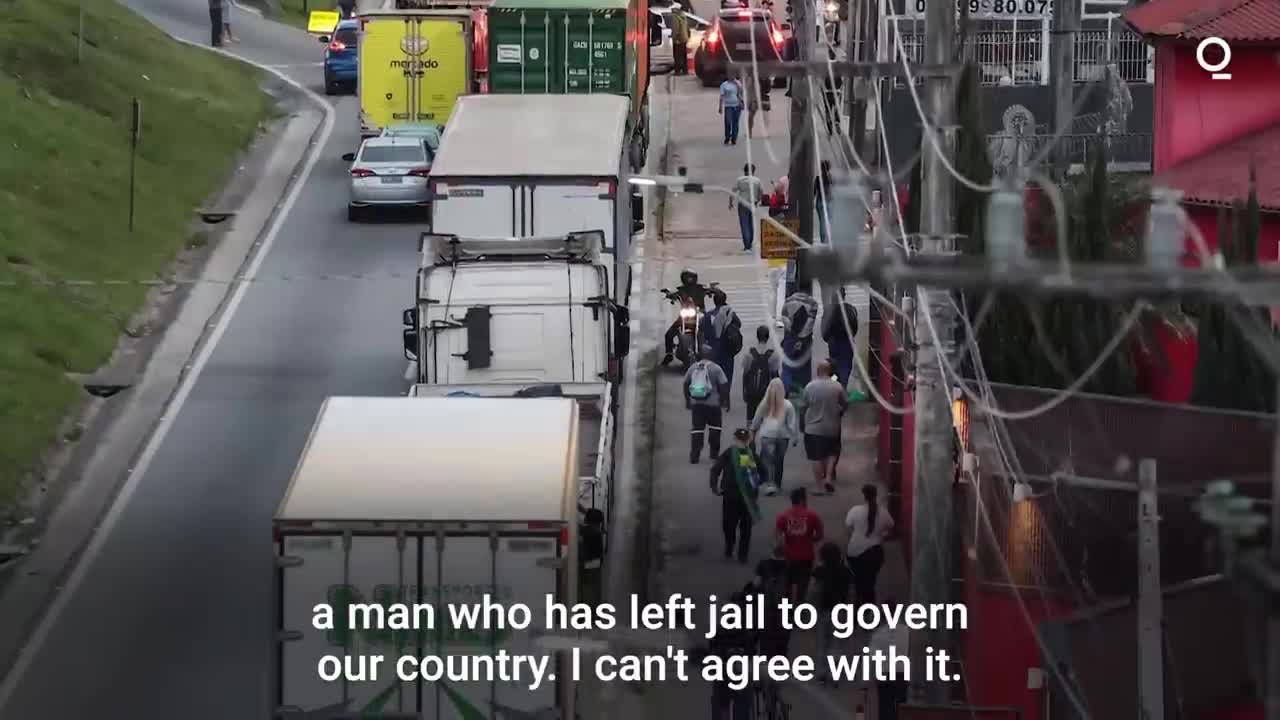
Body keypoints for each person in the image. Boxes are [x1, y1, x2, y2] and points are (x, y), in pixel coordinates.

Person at [710, 429, 762, 562]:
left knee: (736, 525)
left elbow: (715, 469)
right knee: (736, 526)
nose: (742, 442)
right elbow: (765, 473)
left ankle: (738, 551)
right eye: (741, 440)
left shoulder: (733, 454)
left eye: (743, 440)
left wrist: (715, 486)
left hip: (735, 497)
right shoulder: (749, 455)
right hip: (742, 497)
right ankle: (736, 550)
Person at [803, 360, 848, 495]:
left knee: (816, 457)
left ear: (818, 371)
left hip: (813, 428)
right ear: (829, 371)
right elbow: (845, 403)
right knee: (831, 453)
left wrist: (802, 422)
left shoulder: (810, 387)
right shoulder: (837, 387)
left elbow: (803, 406)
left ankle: (819, 486)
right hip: (832, 427)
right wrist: (839, 411)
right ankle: (828, 477)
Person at [810, 541, 852, 685]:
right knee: (837, 645)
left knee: (822, 643)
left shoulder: (819, 571)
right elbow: (851, 593)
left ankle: (821, 674)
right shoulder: (845, 571)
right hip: (840, 611)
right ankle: (835, 675)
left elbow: (814, 591)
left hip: (822, 610)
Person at [845, 484, 894, 606]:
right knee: (870, 581)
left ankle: (860, 605)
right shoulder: (883, 512)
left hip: (854, 551)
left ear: (863, 496)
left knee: (858, 580)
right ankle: (868, 606)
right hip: (875, 553)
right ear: (875, 495)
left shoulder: (855, 510)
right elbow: (891, 527)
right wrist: (882, 535)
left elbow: (848, 527)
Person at [750, 379, 799, 496]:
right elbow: (792, 423)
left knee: (768, 460)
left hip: (767, 435)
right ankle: (777, 483)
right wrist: (795, 437)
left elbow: (756, 420)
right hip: (783, 437)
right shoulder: (787, 405)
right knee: (779, 460)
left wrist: (752, 433)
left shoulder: (764, 404)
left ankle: (769, 484)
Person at [774, 488, 823, 604]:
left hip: (788, 556)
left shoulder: (783, 516)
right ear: (802, 500)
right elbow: (820, 535)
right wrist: (808, 540)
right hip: (806, 556)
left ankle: (787, 611)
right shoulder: (813, 516)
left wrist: (781, 545)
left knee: (787, 586)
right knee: (802, 587)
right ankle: (799, 609)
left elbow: (777, 536)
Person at [684, 344, 730, 463]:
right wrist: (724, 401)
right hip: (713, 405)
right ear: (711, 355)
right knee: (715, 429)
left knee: (697, 430)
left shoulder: (693, 367)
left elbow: (686, 383)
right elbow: (724, 385)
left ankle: (695, 455)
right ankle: (714, 455)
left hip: (697, 405)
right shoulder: (716, 368)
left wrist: (688, 400)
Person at [870, 593, 910, 720]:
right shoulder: (907, 632)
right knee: (900, 707)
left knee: (884, 708)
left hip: (884, 675)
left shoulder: (878, 635)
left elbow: (873, 657)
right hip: (902, 675)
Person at [662, 268, 708, 365]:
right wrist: (669, 294)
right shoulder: (680, 290)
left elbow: (709, 289)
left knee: (712, 330)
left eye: (691, 278)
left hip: (700, 314)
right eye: (687, 278)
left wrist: (713, 290)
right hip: (685, 315)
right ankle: (669, 354)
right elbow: (674, 294)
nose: (689, 280)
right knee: (669, 334)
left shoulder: (701, 288)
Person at [779, 291, 818, 394]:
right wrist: (801, 337)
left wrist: (793, 333)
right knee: (804, 367)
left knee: (787, 366)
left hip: (790, 340)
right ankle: (804, 391)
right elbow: (810, 323)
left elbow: (784, 320)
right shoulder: (812, 303)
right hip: (805, 340)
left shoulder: (787, 302)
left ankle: (786, 390)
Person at [741, 325, 781, 425]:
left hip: (752, 391)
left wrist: (744, 391)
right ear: (768, 337)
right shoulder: (773, 355)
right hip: (766, 392)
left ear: (757, 336)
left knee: (750, 418)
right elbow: (775, 375)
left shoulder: (749, 353)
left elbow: (745, 373)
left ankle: (750, 438)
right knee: (766, 418)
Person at [704, 290, 743, 386]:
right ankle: (725, 397)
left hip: (713, 351)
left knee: (713, 378)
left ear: (714, 301)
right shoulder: (730, 314)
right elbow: (739, 324)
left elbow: (703, 331)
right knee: (727, 377)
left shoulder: (709, 316)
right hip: (728, 351)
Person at [821, 289, 858, 388]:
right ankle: (843, 388)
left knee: (834, 367)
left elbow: (824, 330)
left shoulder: (829, 310)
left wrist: (828, 339)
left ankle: (834, 386)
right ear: (844, 296)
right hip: (847, 342)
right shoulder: (851, 309)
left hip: (834, 342)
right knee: (846, 367)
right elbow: (855, 327)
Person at [731, 164, 765, 252]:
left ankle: (747, 246)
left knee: (744, 224)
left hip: (742, 204)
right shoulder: (757, 180)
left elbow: (733, 192)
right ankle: (750, 242)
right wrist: (758, 201)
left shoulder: (740, 180)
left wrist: (730, 203)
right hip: (752, 203)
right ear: (753, 171)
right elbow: (761, 192)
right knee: (750, 223)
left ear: (744, 171)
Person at [717, 76, 743, 145]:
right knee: (728, 122)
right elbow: (721, 96)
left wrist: (738, 84)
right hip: (728, 106)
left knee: (735, 122)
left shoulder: (738, 83)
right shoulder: (724, 85)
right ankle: (727, 136)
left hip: (737, 105)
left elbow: (741, 93)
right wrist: (720, 107)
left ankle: (734, 138)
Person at [814, 160, 833, 245]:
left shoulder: (818, 178)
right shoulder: (831, 178)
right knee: (827, 221)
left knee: (822, 221)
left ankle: (823, 239)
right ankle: (827, 238)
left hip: (819, 202)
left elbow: (814, 192)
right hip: (828, 201)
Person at [671, 4, 691, 75]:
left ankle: (677, 71)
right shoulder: (683, 16)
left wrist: (674, 37)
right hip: (684, 38)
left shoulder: (675, 17)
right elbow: (687, 28)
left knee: (677, 56)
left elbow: (675, 28)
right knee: (683, 55)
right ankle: (685, 70)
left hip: (678, 39)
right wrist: (687, 36)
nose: (671, 10)